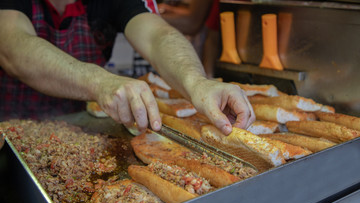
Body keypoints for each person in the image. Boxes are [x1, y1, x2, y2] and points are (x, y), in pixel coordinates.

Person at [0, 0, 255, 136]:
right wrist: (101, 82)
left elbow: (158, 37)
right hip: (8, 132)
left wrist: (197, 82)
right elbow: (12, 46)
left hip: (79, 128)